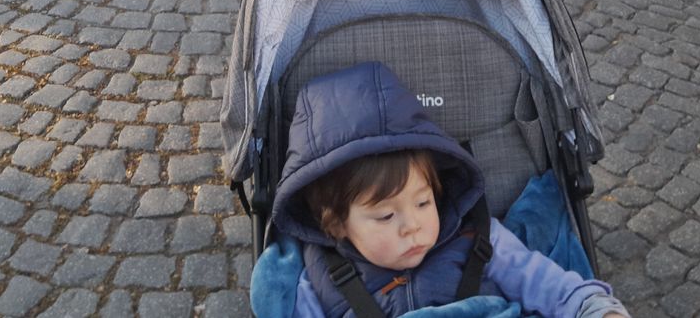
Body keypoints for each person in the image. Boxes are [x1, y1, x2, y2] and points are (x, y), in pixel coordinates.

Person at [269, 62, 631, 318]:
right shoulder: (320, 277)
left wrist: (595, 309)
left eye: (424, 201)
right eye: (385, 215)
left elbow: (548, 284)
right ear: (337, 224)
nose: (412, 225)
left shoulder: (478, 238)